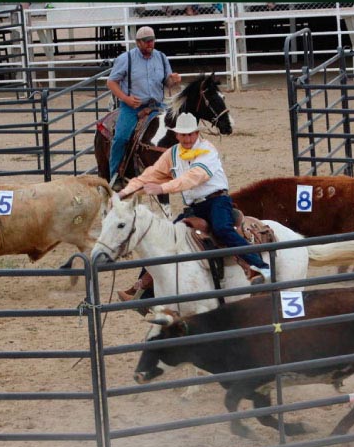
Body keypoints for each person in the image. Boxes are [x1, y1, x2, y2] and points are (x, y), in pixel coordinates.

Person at [117, 112, 270, 300]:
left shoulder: (207, 150)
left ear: (197, 133)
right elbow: (149, 176)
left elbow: (193, 178)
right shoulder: (172, 154)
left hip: (217, 201)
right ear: (177, 135)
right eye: (183, 134)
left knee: (222, 228)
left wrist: (162, 188)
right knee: (165, 237)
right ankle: (143, 290)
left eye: (191, 134)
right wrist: (124, 193)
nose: (187, 138)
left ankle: (260, 267)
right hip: (194, 207)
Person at [106, 26, 181, 186]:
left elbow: (166, 82)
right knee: (121, 138)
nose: (150, 44)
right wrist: (126, 99)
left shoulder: (161, 57)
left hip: (157, 105)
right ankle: (114, 176)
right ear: (138, 42)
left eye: (152, 40)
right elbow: (111, 82)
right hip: (132, 107)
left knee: (179, 131)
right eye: (146, 41)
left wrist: (173, 80)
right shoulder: (126, 59)